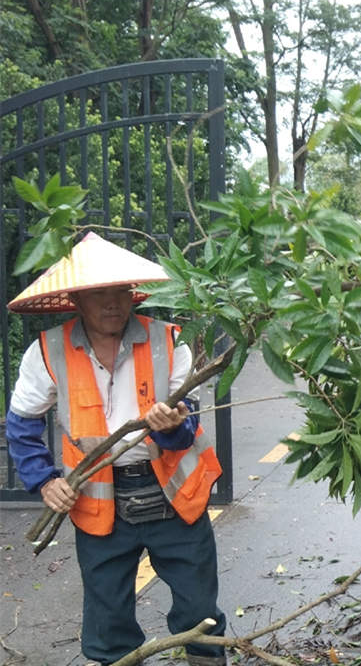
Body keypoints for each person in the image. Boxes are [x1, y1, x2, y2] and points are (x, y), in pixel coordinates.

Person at [5, 232, 229, 666]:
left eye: (119, 291)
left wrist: (169, 429)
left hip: (175, 496)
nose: (112, 302)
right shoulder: (48, 350)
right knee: (108, 623)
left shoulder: (169, 341)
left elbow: (189, 426)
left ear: (133, 294)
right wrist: (45, 480)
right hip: (98, 502)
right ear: (75, 298)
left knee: (199, 610)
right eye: (98, 293)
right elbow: (21, 422)